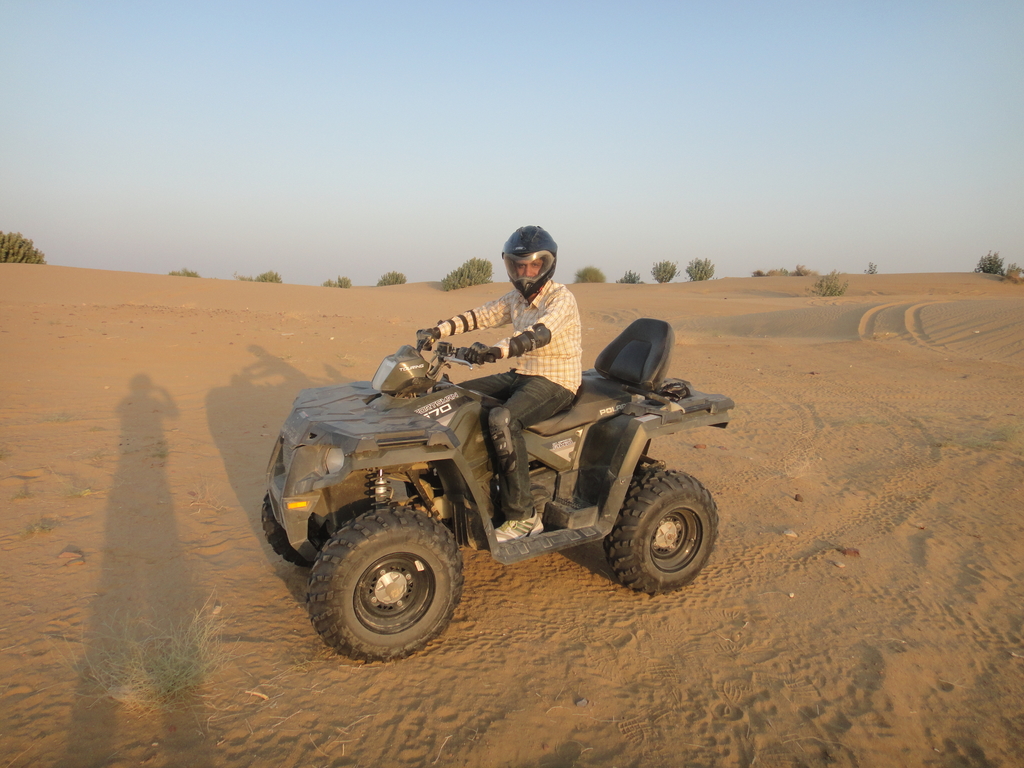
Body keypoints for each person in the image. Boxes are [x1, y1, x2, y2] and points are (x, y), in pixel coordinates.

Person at [416, 225, 582, 542]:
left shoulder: (561, 299)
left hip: (556, 379)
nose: (525, 272)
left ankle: (523, 516)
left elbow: (539, 334)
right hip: (523, 372)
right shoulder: (515, 299)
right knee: (454, 396)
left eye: (533, 265)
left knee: (503, 419)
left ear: (547, 265)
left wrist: (496, 350)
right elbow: (481, 315)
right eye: (518, 265)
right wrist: (438, 331)